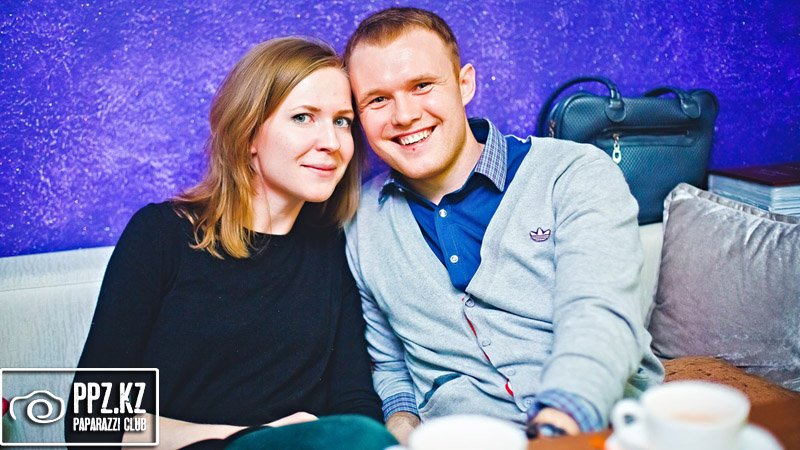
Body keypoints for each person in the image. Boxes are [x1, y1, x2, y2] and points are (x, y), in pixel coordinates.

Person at [342, 7, 665, 445]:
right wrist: (401, 429)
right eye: (378, 99)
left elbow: (600, 315)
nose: (404, 115)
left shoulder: (572, 173)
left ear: (464, 84)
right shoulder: (360, 221)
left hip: (602, 429)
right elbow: (391, 365)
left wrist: (559, 424)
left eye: (422, 85)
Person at [66, 37, 395, 450]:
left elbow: (355, 403)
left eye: (342, 121)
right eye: (303, 117)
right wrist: (250, 437)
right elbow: (90, 423)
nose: (331, 142)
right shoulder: (162, 234)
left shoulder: (332, 250)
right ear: (249, 133)